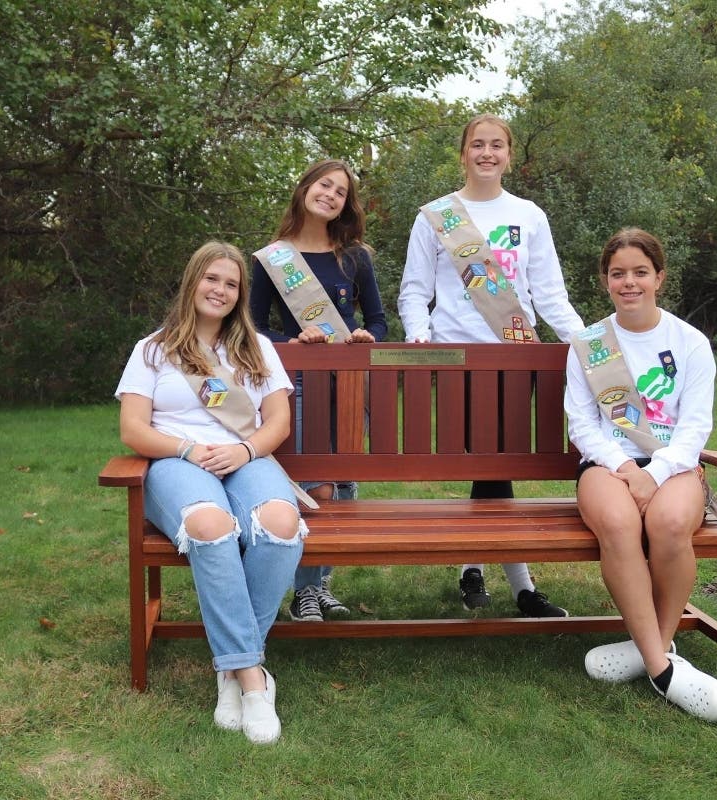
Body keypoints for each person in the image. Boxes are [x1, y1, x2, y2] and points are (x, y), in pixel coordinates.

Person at [115, 241, 308, 744]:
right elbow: (133, 430)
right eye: (211, 279)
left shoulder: (256, 348)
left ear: (240, 294)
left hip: (245, 457)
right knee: (211, 526)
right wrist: (186, 450)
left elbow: (278, 422)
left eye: (231, 283)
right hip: (178, 461)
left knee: (280, 525)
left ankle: (232, 666)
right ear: (192, 281)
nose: (219, 290)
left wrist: (244, 451)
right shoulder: (153, 349)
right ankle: (252, 677)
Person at [397, 113, 582, 617]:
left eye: (496, 145)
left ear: (508, 154)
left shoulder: (529, 215)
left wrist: (587, 345)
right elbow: (415, 292)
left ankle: (475, 569)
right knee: (491, 462)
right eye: (477, 144)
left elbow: (548, 294)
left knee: (494, 464)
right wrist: (421, 338)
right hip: (459, 358)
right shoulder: (436, 215)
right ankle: (521, 586)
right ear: (463, 153)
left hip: (516, 352)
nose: (486, 153)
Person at [565, 228, 717, 721]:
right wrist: (621, 467)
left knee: (670, 524)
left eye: (640, 272)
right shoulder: (590, 344)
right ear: (605, 281)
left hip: (673, 463)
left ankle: (647, 644)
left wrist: (654, 473)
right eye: (618, 274)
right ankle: (662, 667)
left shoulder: (690, 342)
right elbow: (582, 423)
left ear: (659, 277)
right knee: (618, 525)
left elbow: (695, 426)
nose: (629, 282)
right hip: (604, 466)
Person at [250, 158, 388, 622]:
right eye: (323, 185)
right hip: (302, 382)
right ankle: (305, 591)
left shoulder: (355, 257)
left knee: (345, 484)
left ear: (346, 204)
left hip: (352, 381)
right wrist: (291, 341)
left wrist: (368, 339)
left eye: (340, 192)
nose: (330, 195)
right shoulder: (272, 259)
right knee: (316, 486)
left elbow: (378, 321)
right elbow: (251, 328)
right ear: (305, 187)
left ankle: (320, 585)